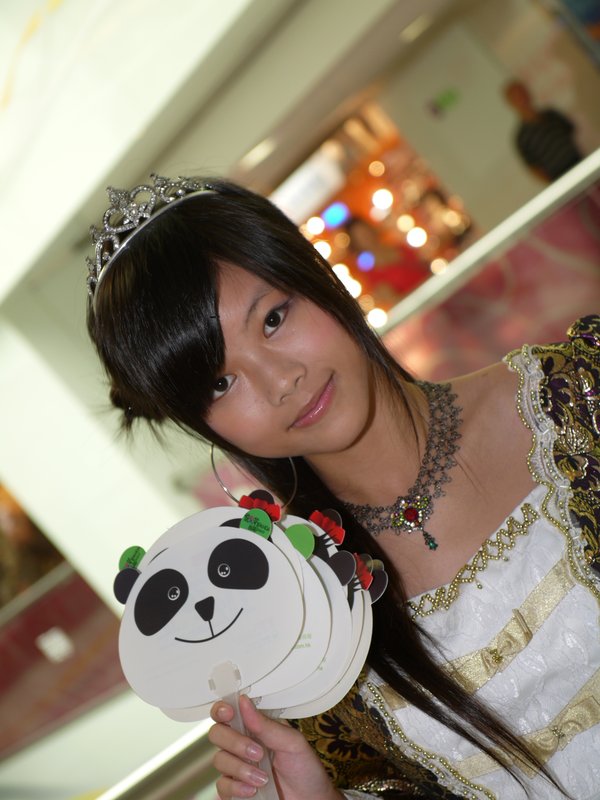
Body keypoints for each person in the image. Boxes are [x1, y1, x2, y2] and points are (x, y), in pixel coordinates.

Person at [86, 174, 600, 799]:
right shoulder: (292, 616)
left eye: (273, 319)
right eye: (221, 383)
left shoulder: (578, 398)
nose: (280, 380)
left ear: (318, 277)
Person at [503, 80, 584, 183]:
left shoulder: (551, 115)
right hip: (560, 177)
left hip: (580, 163)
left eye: (522, 93)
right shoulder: (522, 138)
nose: (522, 99)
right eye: (517, 97)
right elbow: (533, 167)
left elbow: (570, 131)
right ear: (511, 103)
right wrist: (554, 184)